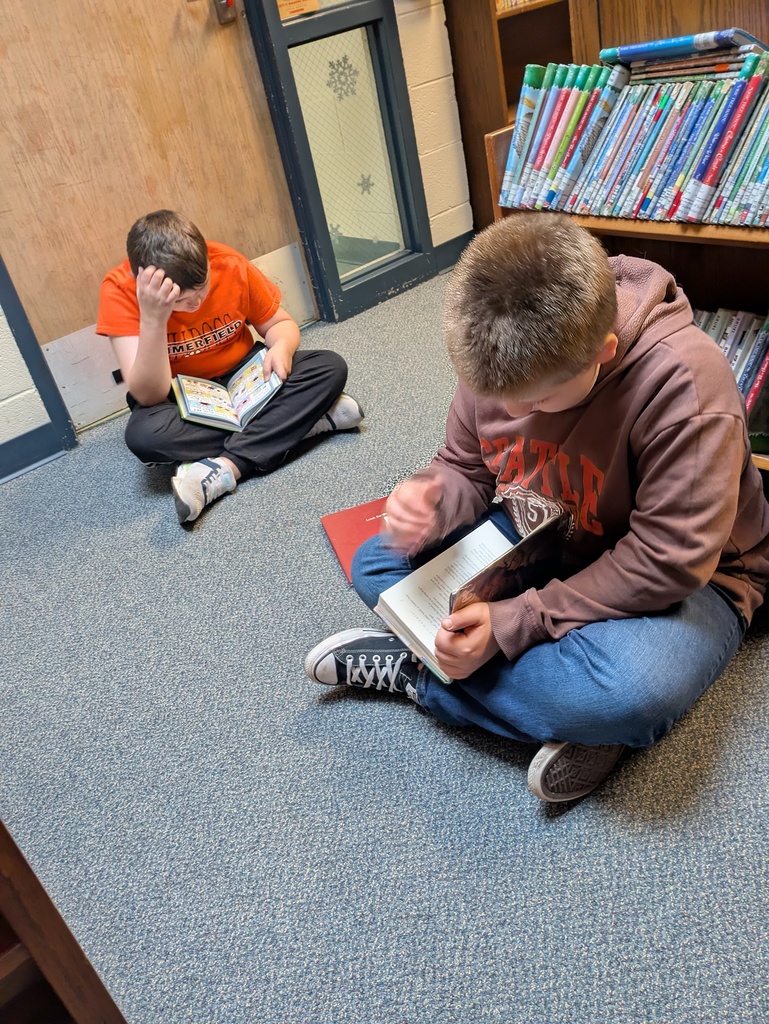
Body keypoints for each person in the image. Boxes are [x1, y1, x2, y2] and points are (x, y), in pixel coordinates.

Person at [303, 213, 769, 803]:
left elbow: (669, 563)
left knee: (633, 693)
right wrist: (435, 500)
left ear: (603, 351)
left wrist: (513, 623)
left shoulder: (685, 383)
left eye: (536, 399)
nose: (512, 413)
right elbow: (468, 466)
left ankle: (422, 677)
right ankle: (566, 716)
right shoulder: (503, 357)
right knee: (379, 563)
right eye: (495, 397)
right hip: (545, 530)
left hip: (694, 579)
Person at [96, 210, 362, 523]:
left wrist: (282, 347)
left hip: (245, 376)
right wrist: (154, 317)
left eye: (203, 289)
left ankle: (224, 469)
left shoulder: (228, 262)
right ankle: (303, 425)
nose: (196, 305)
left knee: (329, 366)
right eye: (182, 301)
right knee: (145, 437)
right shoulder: (119, 290)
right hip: (180, 395)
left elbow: (280, 324)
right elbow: (149, 395)